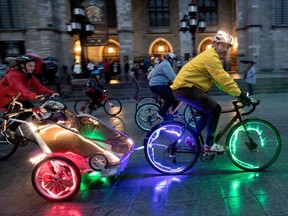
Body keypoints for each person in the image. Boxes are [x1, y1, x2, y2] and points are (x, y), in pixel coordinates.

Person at [170, 31, 251, 153]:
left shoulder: (212, 57)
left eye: (228, 47)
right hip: (186, 88)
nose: (225, 49)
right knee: (215, 109)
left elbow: (219, 82)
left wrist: (236, 93)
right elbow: (224, 78)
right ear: (215, 44)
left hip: (187, 88)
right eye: (222, 45)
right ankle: (209, 145)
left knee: (205, 114)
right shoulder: (211, 57)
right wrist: (240, 95)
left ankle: (191, 140)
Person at [0, 55, 58, 131]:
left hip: (15, 98)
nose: (33, 68)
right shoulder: (13, 74)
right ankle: (9, 130)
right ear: (22, 65)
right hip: (4, 98)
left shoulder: (28, 74)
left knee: (30, 110)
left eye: (33, 66)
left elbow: (38, 86)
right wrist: (34, 96)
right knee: (28, 110)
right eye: (30, 66)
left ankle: (11, 129)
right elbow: (18, 87)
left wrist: (51, 93)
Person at [148, 52, 179, 120]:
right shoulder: (166, 64)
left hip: (158, 84)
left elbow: (170, 78)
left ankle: (174, 112)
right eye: (175, 61)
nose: (175, 63)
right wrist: (181, 83)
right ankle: (162, 114)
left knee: (174, 94)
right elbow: (173, 77)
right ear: (171, 60)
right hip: (157, 84)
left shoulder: (165, 64)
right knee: (170, 98)